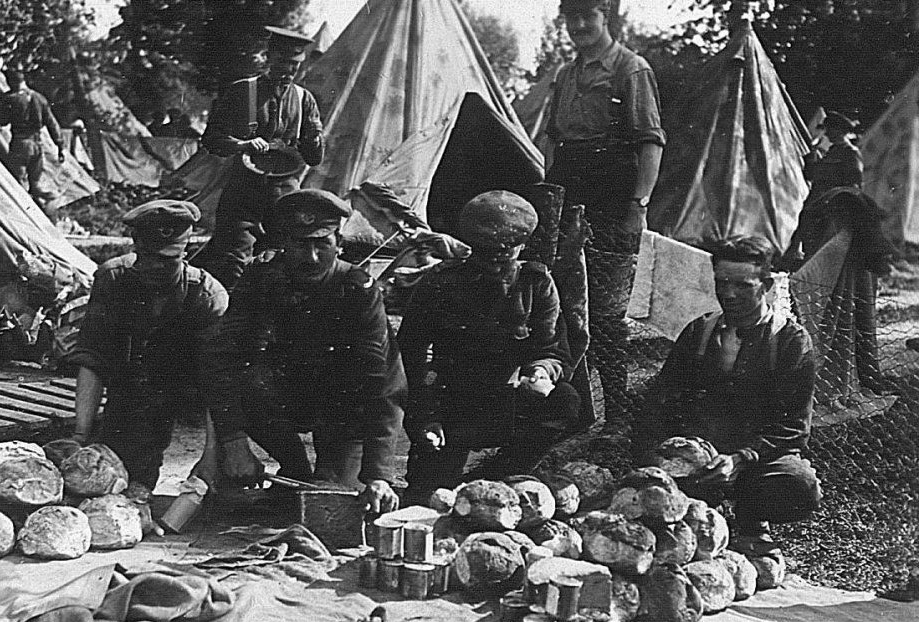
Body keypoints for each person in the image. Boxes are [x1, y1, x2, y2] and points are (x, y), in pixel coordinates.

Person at [199, 189, 405, 515]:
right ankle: (293, 467)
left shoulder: (358, 289)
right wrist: (232, 440)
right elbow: (223, 361)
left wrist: (379, 475)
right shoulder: (262, 278)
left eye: (321, 244)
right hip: (288, 393)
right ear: (283, 243)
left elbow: (380, 384)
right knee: (251, 380)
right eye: (300, 244)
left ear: (340, 243)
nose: (310, 257)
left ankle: (330, 470)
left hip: (344, 407)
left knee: (331, 499)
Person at [632, 236, 822, 555]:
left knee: (798, 484)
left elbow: (793, 430)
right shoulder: (699, 332)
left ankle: (750, 520)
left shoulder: (790, 342)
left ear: (767, 284)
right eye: (722, 283)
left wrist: (739, 460)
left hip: (752, 463)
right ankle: (695, 513)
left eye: (743, 285)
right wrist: (662, 456)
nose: (729, 294)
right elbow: (659, 403)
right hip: (698, 460)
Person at [397, 191, 586, 499]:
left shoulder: (535, 284)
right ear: (472, 247)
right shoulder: (441, 282)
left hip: (508, 400)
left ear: (522, 246)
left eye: (505, 253)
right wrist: (425, 417)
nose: (495, 263)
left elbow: (553, 348)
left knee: (565, 400)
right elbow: (410, 357)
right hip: (450, 404)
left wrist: (540, 372)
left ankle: (498, 474)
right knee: (428, 498)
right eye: (486, 253)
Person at [544, 0, 666, 432]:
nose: (578, 25)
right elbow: (553, 141)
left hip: (612, 196)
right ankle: (574, 416)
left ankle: (618, 417)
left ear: (606, 16)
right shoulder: (565, 74)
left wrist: (638, 205)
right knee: (561, 306)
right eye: (570, 17)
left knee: (607, 316)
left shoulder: (630, 69)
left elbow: (649, 143)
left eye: (587, 15)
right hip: (568, 192)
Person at [68, 200, 229, 490]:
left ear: (186, 251)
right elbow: (92, 356)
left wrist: (212, 455)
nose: (156, 267)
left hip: (193, 390)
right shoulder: (113, 279)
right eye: (147, 256)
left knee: (217, 480)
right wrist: (81, 435)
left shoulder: (207, 295)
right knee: (119, 480)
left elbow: (221, 382)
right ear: (135, 246)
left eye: (168, 259)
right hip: (140, 390)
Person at [192, 26, 324, 288]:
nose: (287, 71)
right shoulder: (241, 92)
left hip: (285, 197)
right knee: (233, 262)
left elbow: (314, 158)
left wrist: (315, 139)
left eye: (294, 65)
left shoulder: (304, 99)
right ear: (268, 57)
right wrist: (242, 144)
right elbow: (211, 139)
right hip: (243, 193)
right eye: (282, 62)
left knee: (281, 263)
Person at [783, 110, 895, 393]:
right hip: (822, 208)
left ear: (841, 131)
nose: (829, 134)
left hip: (838, 210)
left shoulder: (848, 154)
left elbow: (841, 176)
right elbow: (813, 173)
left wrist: (816, 162)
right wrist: (812, 155)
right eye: (828, 130)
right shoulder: (833, 151)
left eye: (832, 130)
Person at [0, 68, 66, 201]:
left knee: (15, 183)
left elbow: (0, 121)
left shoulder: (11, 98)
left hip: (20, 144)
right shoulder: (40, 98)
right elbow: (52, 124)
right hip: (37, 145)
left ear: (11, 81)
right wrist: (60, 145)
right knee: (35, 185)